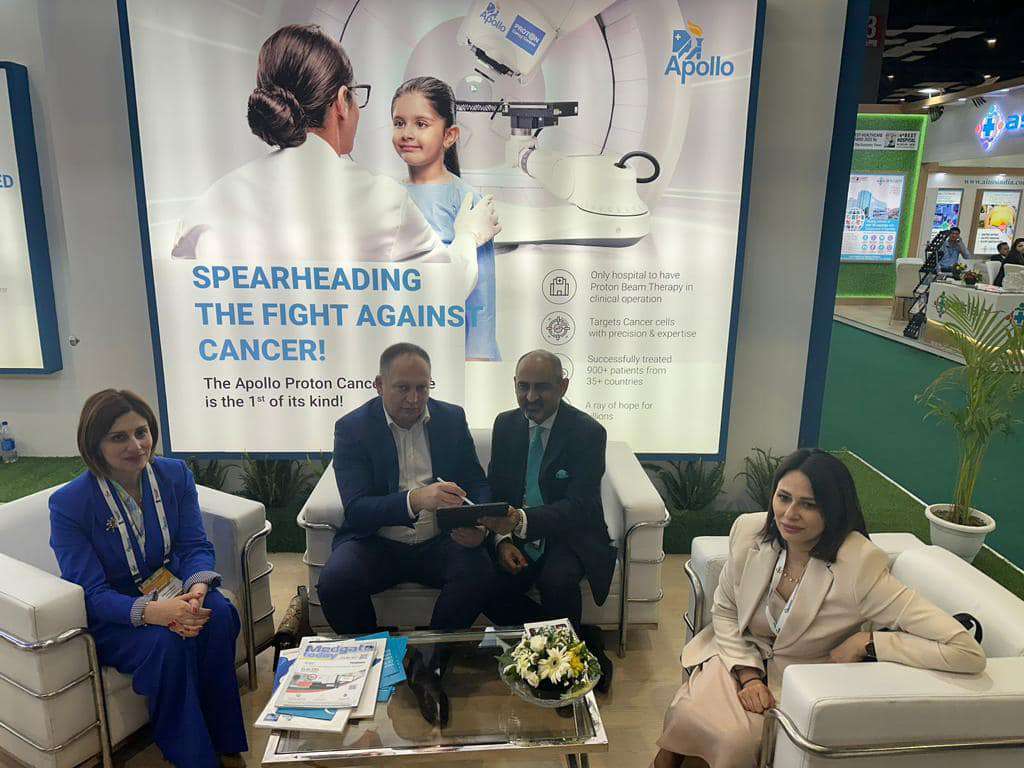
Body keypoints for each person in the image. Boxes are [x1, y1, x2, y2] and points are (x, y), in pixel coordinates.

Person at [652, 449, 985, 768]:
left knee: (734, 743)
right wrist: (748, 675)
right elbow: (725, 611)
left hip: (799, 681)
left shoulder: (860, 565)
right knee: (685, 714)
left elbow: (965, 651)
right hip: (737, 655)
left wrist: (869, 643)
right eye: (783, 497)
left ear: (834, 509)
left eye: (808, 505)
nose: (789, 514)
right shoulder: (750, 531)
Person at [171, 24, 500, 299]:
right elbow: (447, 289)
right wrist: (468, 236)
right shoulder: (382, 201)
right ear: (343, 101)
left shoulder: (212, 203)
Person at [49, 390, 246, 768]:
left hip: (174, 586)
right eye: (118, 437)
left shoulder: (174, 474)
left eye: (141, 432)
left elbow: (194, 545)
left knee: (218, 613)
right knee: (166, 642)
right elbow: (92, 593)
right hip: (116, 613)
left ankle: (225, 739)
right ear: (94, 444)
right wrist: (155, 613)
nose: (136, 445)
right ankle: (192, 757)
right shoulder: (70, 504)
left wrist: (196, 589)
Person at [316, 342, 499, 725]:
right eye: (402, 388)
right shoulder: (352, 428)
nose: (414, 399)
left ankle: (426, 664)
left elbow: (476, 482)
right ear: (379, 384)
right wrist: (415, 499)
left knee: (480, 572)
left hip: (439, 541)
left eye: (422, 387)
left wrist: (478, 525)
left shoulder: (450, 418)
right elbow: (357, 509)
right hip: (376, 542)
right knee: (335, 583)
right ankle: (382, 660)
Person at [481, 350, 618, 691]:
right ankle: (580, 642)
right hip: (518, 532)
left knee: (557, 580)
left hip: (571, 534)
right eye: (523, 386)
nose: (530, 397)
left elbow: (581, 505)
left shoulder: (588, 432)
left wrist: (521, 520)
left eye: (541, 387)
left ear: (563, 386)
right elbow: (498, 490)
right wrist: (503, 541)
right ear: (514, 384)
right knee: (483, 584)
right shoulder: (505, 425)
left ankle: (564, 676)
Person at [392, 76, 500, 362]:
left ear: (449, 135)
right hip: (398, 348)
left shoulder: (468, 201)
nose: (407, 133)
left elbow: (481, 303)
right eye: (399, 123)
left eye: (421, 124)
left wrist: (477, 361)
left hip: (452, 352)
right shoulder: (387, 196)